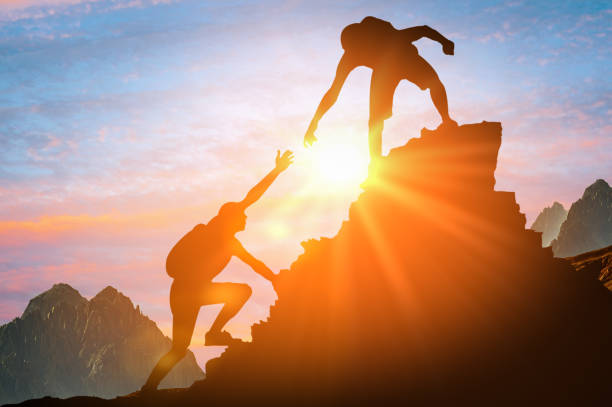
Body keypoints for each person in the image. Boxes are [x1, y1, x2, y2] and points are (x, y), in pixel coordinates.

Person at [141, 150, 294, 392]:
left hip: (182, 292)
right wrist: (276, 170)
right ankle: (213, 333)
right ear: (231, 218)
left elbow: (254, 261)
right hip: (190, 291)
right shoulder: (218, 233)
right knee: (242, 292)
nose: (245, 217)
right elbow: (252, 197)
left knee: (179, 348)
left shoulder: (225, 236)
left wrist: (274, 278)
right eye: (242, 215)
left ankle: (148, 388)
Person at [304, 16, 457, 159]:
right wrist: (314, 123)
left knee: (434, 83)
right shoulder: (351, 56)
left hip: (404, 57)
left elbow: (423, 30)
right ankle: (376, 161)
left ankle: (446, 120)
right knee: (375, 120)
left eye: (358, 50)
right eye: (353, 51)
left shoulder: (391, 39)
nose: (356, 54)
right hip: (385, 72)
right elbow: (333, 92)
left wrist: (445, 42)